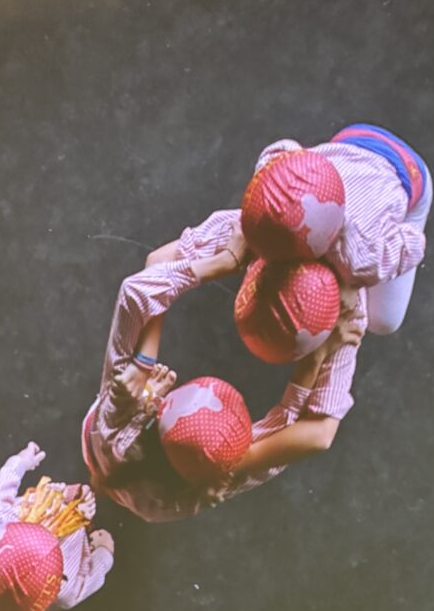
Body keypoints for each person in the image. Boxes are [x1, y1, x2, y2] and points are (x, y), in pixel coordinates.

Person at [81, 212, 364, 523]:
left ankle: (103, 479)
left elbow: (152, 269)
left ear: (160, 412)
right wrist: (320, 352)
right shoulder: (211, 483)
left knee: (110, 467)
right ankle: (105, 482)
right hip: (155, 490)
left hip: (106, 437)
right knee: (385, 319)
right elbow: (316, 434)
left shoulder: (113, 422)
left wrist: (225, 261)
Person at [245, 123, 432, 335]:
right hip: (350, 140)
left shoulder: (363, 261)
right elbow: (281, 149)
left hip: (410, 172)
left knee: (384, 322)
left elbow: (414, 242)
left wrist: (358, 281)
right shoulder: (266, 219)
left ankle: (393, 209)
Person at [0, 442, 114, 611]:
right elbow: (88, 579)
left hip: (47, 501)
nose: (50, 533)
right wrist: (103, 552)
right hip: (78, 530)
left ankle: (66, 500)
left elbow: (2, 485)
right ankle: (79, 512)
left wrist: (21, 461)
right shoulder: (64, 591)